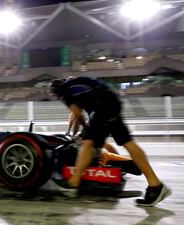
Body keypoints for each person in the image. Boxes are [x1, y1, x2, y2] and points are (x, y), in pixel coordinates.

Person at [50, 76, 171, 207]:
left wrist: (81, 132)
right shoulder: (77, 85)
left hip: (102, 107)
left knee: (88, 142)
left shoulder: (64, 89)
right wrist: (79, 132)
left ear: (55, 90)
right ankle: (155, 185)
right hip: (112, 102)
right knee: (127, 142)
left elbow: (77, 114)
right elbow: (75, 114)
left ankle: (73, 184)